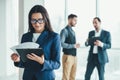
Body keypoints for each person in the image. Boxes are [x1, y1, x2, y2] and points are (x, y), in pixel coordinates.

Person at [11, 5, 61, 80]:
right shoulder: (25, 36)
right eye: (33, 20)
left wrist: (43, 62)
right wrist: (18, 60)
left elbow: (57, 64)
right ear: (30, 21)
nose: (37, 24)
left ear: (45, 20)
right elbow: (24, 63)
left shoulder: (54, 37)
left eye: (40, 20)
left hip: (45, 77)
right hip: (28, 77)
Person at [60, 14, 80, 80]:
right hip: (67, 57)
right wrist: (73, 45)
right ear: (69, 20)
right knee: (66, 77)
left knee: (72, 77)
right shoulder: (64, 31)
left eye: (76, 20)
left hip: (74, 57)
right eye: (75, 20)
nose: (76, 22)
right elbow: (61, 43)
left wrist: (75, 46)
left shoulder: (73, 31)